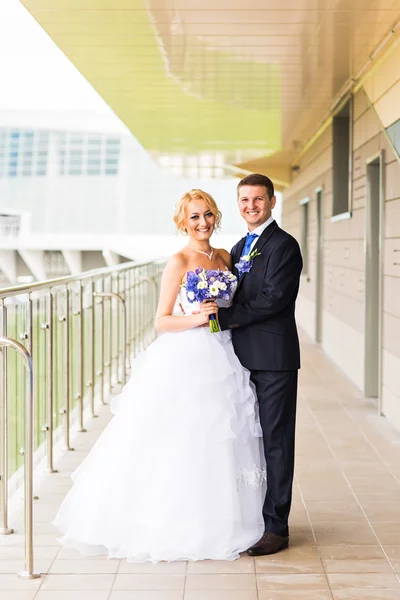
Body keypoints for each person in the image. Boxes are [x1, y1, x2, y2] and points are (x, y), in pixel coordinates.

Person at [53, 189, 265, 563]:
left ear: (216, 217)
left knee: (224, 434)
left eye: (208, 215)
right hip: (188, 356)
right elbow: (162, 321)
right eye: (195, 217)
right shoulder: (178, 261)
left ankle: (225, 519)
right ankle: (176, 522)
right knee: (185, 437)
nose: (202, 223)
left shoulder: (224, 256)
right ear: (183, 223)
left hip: (225, 352)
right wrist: (199, 318)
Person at [218, 173, 303, 556]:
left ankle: (277, 527)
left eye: (258, 199)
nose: (251, 206)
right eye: (244, 200)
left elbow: (273, 300)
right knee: (247, 440)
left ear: (271, 202)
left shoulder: (284, 245)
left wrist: (225, 318)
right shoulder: (237, 248)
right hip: (239, 359)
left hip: (273, 360)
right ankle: (252, 516)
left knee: (276, 441)